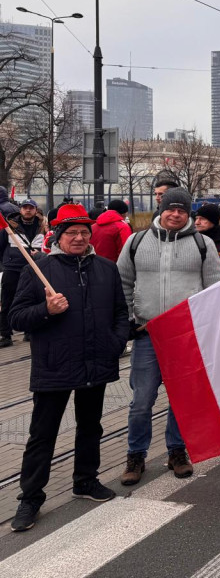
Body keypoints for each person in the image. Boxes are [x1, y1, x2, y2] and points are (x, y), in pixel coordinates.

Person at [8, 203, 129, 532]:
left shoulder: (106, 268)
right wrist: (46, 310)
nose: (78, 238)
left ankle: (85, 481)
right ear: (58, 237)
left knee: (91, 427)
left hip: (96, 361)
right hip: (54, 364)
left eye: (84, 232)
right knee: (42, 434)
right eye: (71, 233)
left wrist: (115, 342)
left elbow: (120, 312)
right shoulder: (38, 269)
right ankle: (30, 497)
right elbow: (16, 318)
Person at [117, 187, 220, 486]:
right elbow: (122, 281)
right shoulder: (136, 241)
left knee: (181, 399)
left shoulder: (203, 244)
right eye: (170, 208)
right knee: (142, 400)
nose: (175, 214)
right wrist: (126, 317)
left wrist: (207, 328)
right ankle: (135, 455)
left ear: (189, 213)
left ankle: (177, 451)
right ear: (161, 208)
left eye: (182, 210)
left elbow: (214, 288)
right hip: (147, 333)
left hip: (185, 335)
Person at [0, 199, 45, 347]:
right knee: (7, 301)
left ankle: (29, 331)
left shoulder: (42, 226)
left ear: (35, 210)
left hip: (35, 268)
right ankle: (5, 334)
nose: (27, 210)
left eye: (30, 208)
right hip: (13, 268)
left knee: (32, 300)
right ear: (20, 210)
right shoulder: (9, 227)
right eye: (25, 207)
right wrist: (7, 261)